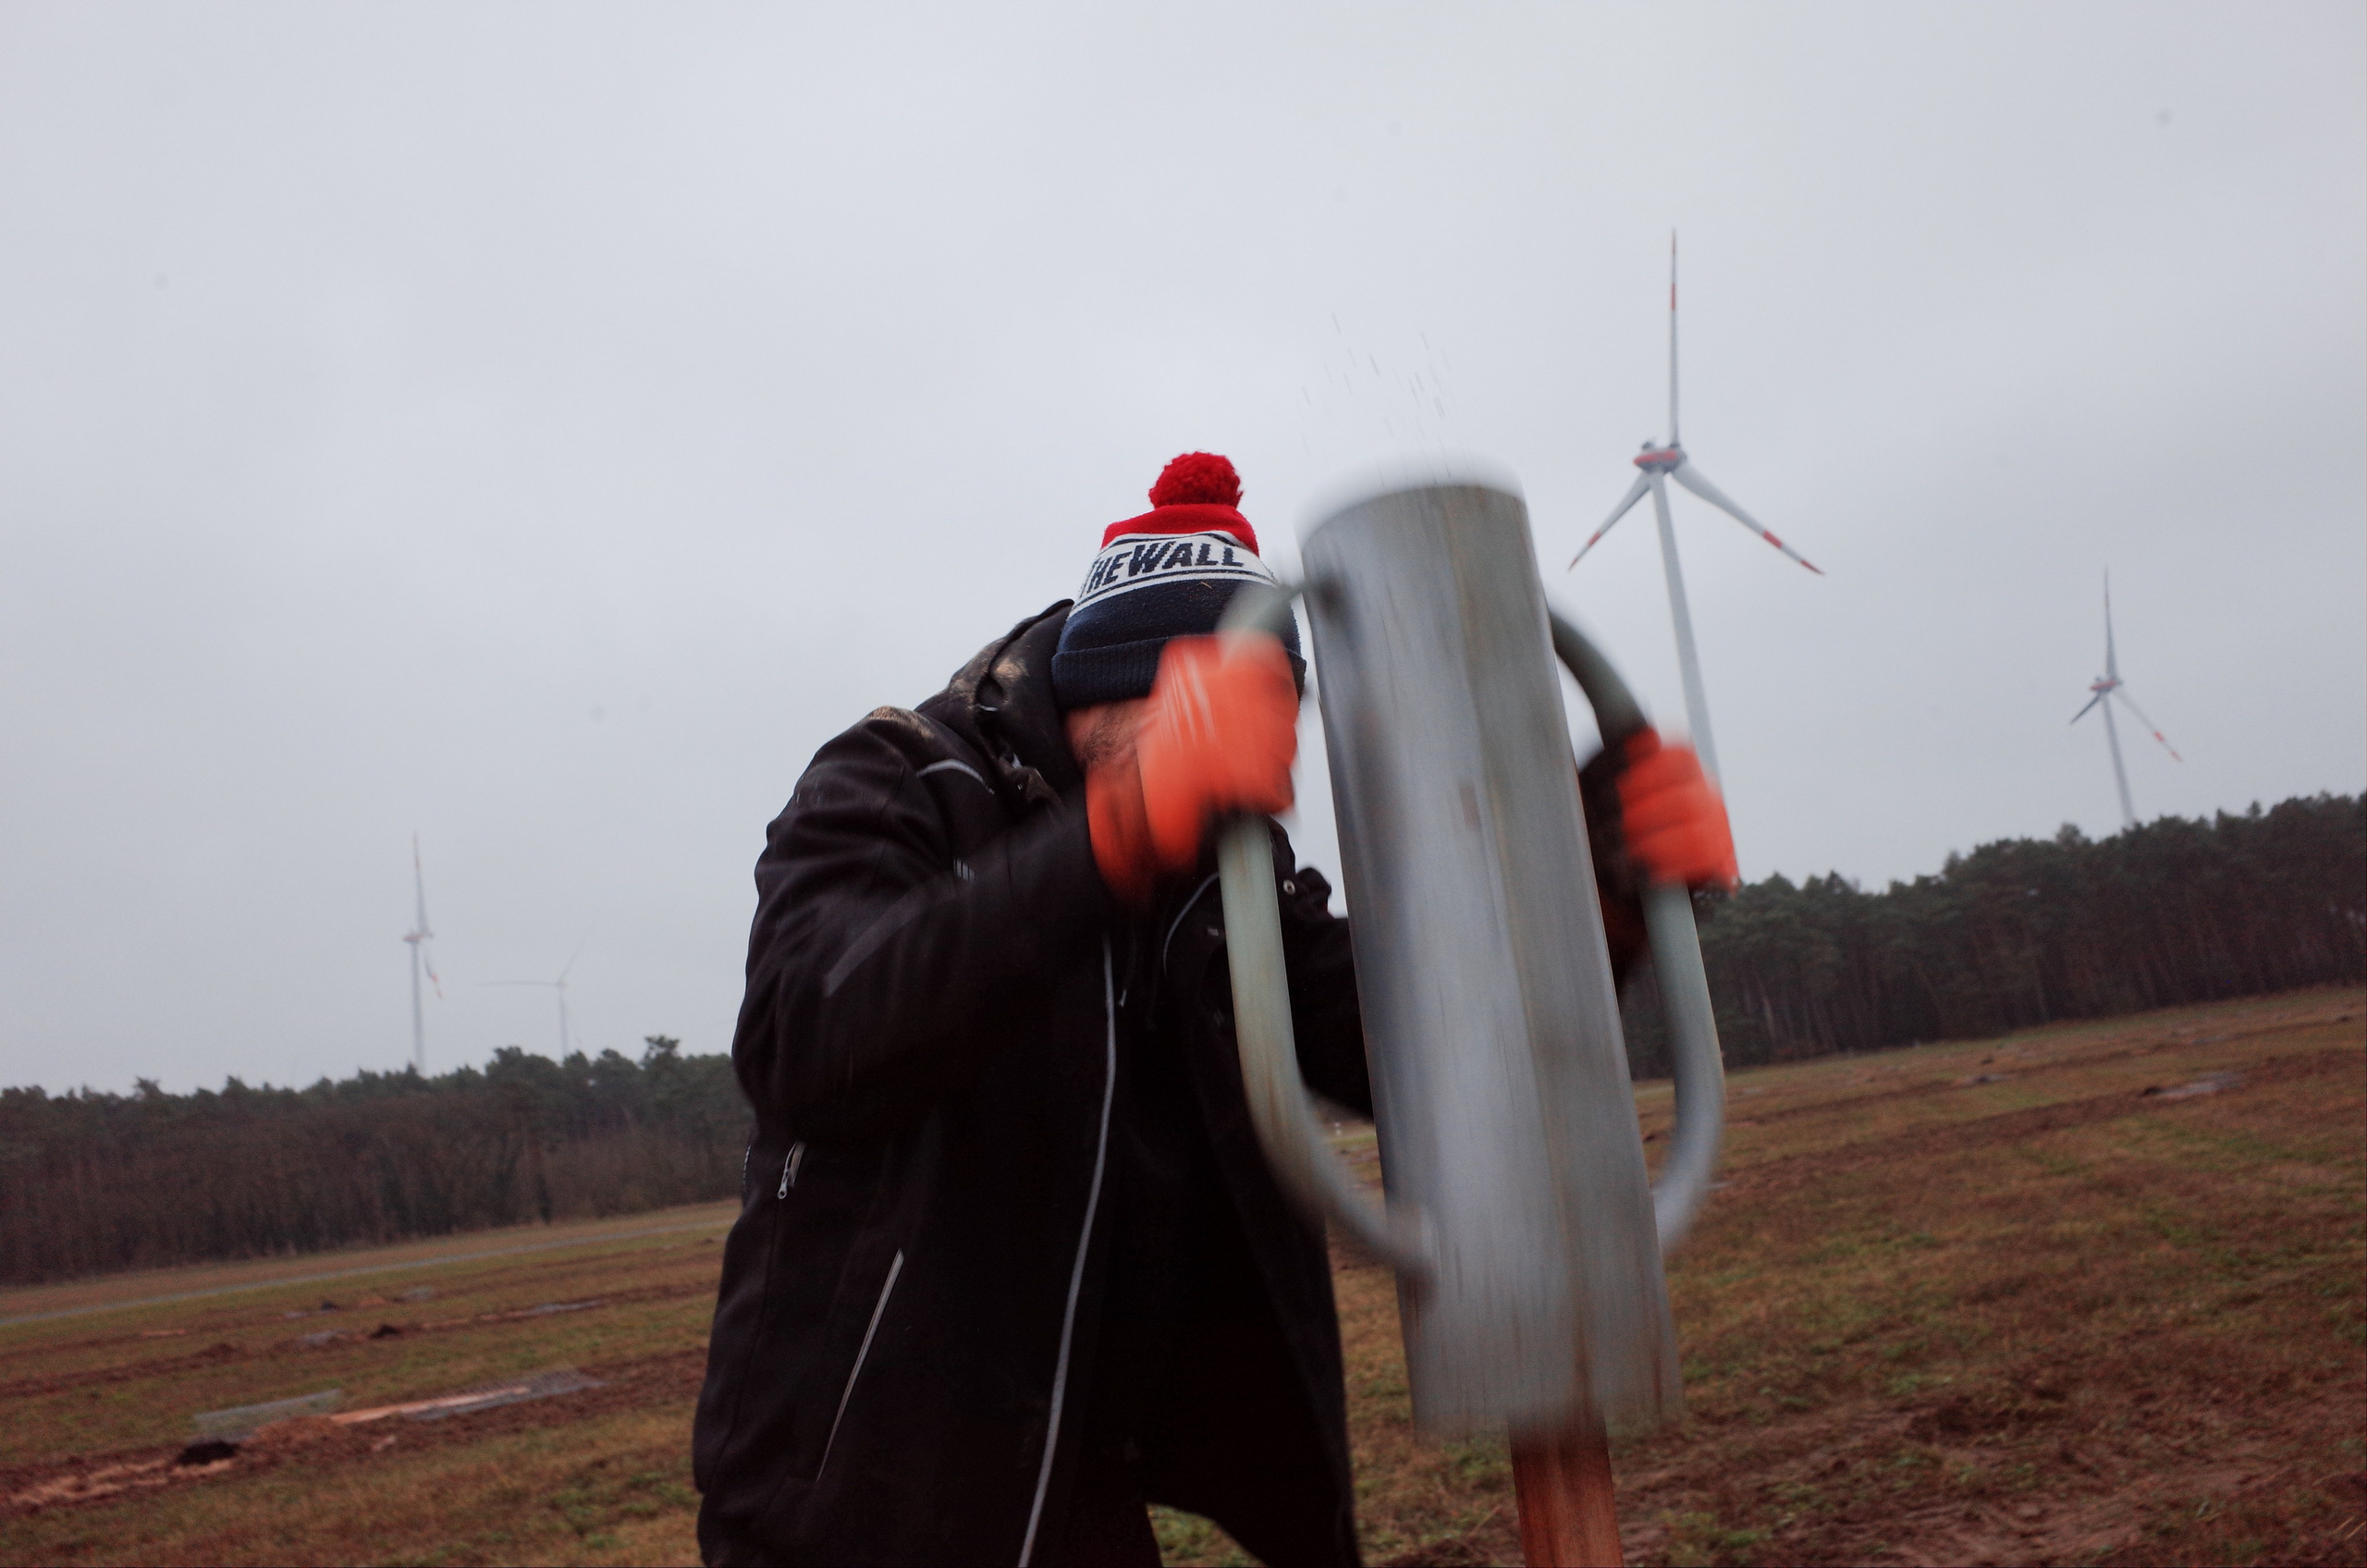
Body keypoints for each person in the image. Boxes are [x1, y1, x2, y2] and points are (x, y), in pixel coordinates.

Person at [692, 453, 1735, 1567]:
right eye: (1209, 710)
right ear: (1111, 677)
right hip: (854, 1501)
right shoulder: (899, 778)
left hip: (1075, 1485)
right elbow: (812, 1033)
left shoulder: (1221, 871)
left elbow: (1396, 1053)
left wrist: (1597, 904)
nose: (1248, 763)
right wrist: (1123, 831)